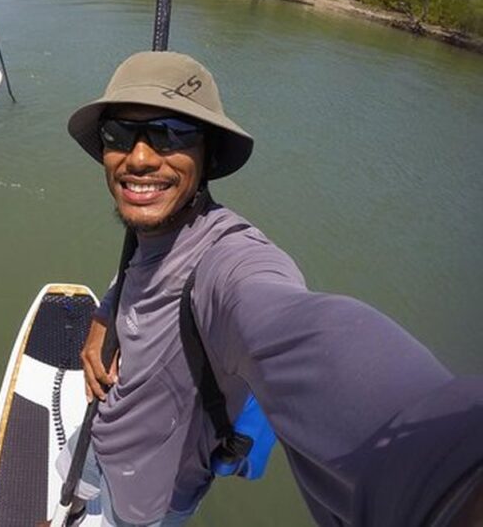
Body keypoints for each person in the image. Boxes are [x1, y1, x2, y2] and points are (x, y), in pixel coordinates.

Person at [54, 51, 482, 526]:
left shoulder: (228, 263)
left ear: (208, 156)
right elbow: (133, 265)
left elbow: (298, 331)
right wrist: (104, 315)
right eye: (119, 134)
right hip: (96, 436)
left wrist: (451, 472)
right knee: (70, 488)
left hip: (146, 500)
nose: (139, 158)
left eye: (171, 134)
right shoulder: (154, 224)